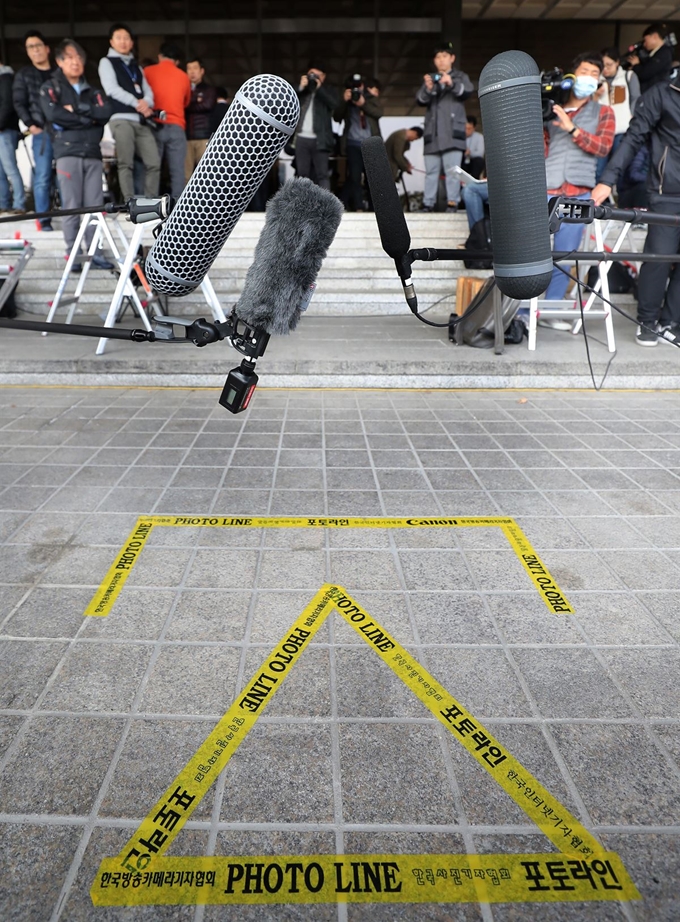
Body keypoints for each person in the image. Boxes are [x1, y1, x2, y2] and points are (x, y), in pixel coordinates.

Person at [592, 69, 680, 346]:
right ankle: (648, 321)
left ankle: (670, 323)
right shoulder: (663, 94)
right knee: (659, 257)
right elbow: (633, 137)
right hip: (668, 192)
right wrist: (608, 179)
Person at [542, 51, 614, 326]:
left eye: (595, 75)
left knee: (565, 254)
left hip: (579, 191)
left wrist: (573, 129)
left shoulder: (603, 112)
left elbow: (603, 147)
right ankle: (522, 312)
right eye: (585, 71)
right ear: (573, 75)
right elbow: (541, 150)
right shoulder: (551, 108)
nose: (590, 78)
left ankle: (549, 312)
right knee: (534, 254)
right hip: (546, 189)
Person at [40, 39, 113, 272]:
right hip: (67, 153)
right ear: (60, 61)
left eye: (79, 57)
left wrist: (78, 113)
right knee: (71, 206)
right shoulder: (51, 87)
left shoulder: (93, 91)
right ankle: (73, 253)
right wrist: (88, 119)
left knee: (95, 207)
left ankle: (95, 254)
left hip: (92, 153)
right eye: (70, 57)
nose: (76, 61)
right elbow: (53, 115)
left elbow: (105, 114)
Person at [98, 22, 160, 202]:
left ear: (132, 42)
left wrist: (146, 102)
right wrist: (137, 103)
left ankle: (151, 203)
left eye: (126, 38)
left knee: (154, 162)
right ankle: (129, 202)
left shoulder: (135, 65)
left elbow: (148, 92)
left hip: (141, 120)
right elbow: (111, 89)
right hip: (120, 118)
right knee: (126, 163)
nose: (123, 42)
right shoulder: (106, 62)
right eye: (119, 38)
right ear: (111, 42)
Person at [415, 41, 473, 212]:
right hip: (433, 135)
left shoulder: (460, 77)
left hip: (452, 134)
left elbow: (467, 91)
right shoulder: (431, 79)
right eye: (438, 57)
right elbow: (420, 100)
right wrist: (428, 88)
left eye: (444, 56)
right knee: (431, 171)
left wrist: (451, 83)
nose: (441, 60)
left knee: (452, 172)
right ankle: (428, 204)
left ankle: (452, 203)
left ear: (452, 58)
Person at [13, 31, 56, 230]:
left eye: (38, 45)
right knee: (42, 177)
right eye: (30, 47)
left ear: (47, 48)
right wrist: (31, 125)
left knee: (66, 176)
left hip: (65, 131)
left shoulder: (59, 71)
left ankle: (70, 214)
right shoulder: (24, 74)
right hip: (42, 132)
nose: (35, 50)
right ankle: (44, 220)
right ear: (28, 52)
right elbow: (19, 103)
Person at [144, 42, 191, 200]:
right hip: (176, 126)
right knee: (177, 171)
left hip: (153, 125)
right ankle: (178, 207)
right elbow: (186, 102)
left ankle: (148, 205)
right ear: (177, 61)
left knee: (152, 167)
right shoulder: (183, 76)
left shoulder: (147, 72)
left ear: (160, 56)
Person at [334, 75, 383, 211]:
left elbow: (379, 113)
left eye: (359, 85)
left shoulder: (371, 98)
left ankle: (375, 209)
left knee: (372, 178)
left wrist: (363, 104)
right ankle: (358, 207)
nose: (357, 89)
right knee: (354, 177)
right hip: (352, 143)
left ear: (363, 85)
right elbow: (336, 117)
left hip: (371, 143)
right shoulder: (347, 101)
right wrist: (344, 101)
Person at [595, 48, 640, 183]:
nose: (606, 69)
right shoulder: (597, 80)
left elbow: (636, 98)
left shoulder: (628, 76)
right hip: (602, 131)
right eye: (603, 66)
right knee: (598, 169)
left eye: (609, 65)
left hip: (622, 128)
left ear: (617, 63)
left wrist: (633, 116)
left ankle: (618, 199)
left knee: (619, 166)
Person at [292, 64, 337, 190]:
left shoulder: (328, 90)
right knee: (302, 175)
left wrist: (319, 89)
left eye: (317, 75)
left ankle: (326, 206)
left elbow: (334, 104)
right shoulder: (302, 92)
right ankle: (302, 205)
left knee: (322, 174)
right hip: (301, 137)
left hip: (320, 139)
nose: (313, 78)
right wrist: (301, 87)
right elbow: (288, 101)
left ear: (323, 77)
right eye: (311, 74)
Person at [0, 61, 26, 215]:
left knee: (10, 168)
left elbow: (7, 104)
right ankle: (4, 203)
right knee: (1, 171)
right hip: (3, 129)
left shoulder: (5, 78)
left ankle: (19, 204)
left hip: (6, 130)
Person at [185, 57, 216, 181]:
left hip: (203, 136)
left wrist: (187, 105)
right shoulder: (184, 89)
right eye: (189, 69)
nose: (192, 72)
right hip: (186, 137)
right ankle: (185, 200)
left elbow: (207, 105)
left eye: (195, 68)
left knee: (206, 174)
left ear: (202, 71)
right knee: (186, 176)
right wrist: (195, 102)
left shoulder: (209, 89)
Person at [627, 23, 673, 95]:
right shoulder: (654, 54)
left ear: (655, 36)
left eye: (646, 40)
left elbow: (646, 73)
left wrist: (636, 65)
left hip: (655, 94)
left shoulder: (664, 53)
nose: (644, 44)